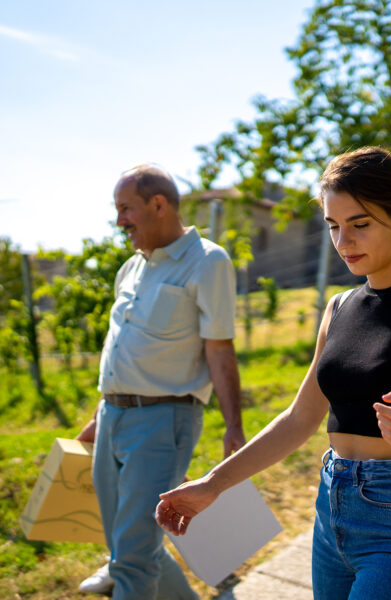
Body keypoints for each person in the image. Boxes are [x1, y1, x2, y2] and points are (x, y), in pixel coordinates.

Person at [155, 147, 391, 600]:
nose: (344, 242)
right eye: (334, 226)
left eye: (360, 224)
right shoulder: (338, 308)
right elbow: (299, 419)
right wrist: (212, 485)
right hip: (330, 512)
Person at [75, 165, 246, 599]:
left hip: (161, 420)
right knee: (125, 545)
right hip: (112, 416)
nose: (119, 221)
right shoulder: (131, 268)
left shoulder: (207, 261)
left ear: (158, 204)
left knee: (132, 557)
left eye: (125, 209)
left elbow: (219, 348)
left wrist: (234, 425)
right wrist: (100, 413)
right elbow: (121, 347)